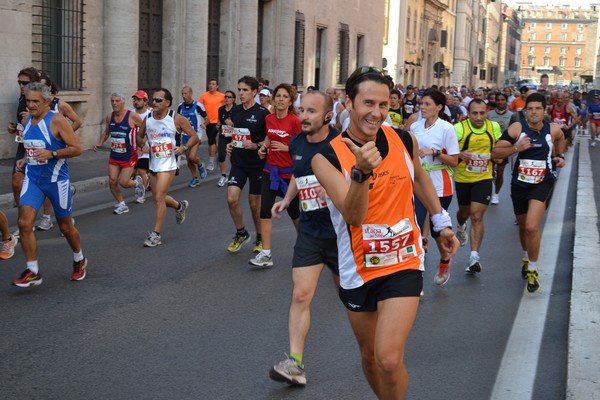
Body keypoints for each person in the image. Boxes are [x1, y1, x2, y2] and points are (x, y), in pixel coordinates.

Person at [312, 67, 459, 399]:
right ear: (347, 102)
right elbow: (353, 215)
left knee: (389, 359)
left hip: (404, 260)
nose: (377, 113)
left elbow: (420, 179)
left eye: (383, 104)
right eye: (368, 103)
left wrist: (440, 223)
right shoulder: (326, 158)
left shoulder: (404, 139)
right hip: (358, 268)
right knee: (370, 357)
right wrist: (361, 172)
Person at [269, 90, 340, 386]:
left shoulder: (340, 144)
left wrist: (337, 189)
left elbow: (360, 182)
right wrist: (287, 200)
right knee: (300, 294)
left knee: (351, 299)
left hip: (340, 234)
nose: (305, 116)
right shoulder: (296, 142)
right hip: (310, 231)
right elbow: (299, 175)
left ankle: (377, 350)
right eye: (303, 110)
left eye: (312, 111)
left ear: (327, 116)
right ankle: (294, 364)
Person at [12, 82, 87, 287]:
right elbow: (33, 147)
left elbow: (77, 148)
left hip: (56, 181)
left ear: (46, 101)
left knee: (66, 228)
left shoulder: (57, 120)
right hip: (33, 180)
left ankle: (79, 258)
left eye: (35, 101)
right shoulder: (27, 120)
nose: (31, 105)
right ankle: (33, 270)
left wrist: (52, 153)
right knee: (24, 222)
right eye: (28, 101)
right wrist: (25, 160)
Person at [491, 92, 566, 292]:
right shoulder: (517, 128)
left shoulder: (553, 129)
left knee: (532, 227)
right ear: (525, 111)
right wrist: (516, 148)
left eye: (538, 109)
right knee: (523, 227)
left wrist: (559, 156)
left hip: (543, 182)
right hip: (520, 184)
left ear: (544, 111)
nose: (533, 112)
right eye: (530, 109)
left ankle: (533, 269)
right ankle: (526, 256)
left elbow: (561, 139)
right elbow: (495, 152)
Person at [136, 88, 199, 247]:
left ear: (167, 103)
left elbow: (194, 137)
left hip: (169, 163)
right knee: (159, 198)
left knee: (158, 198)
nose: (154, 103)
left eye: (158, 100)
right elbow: (139, 136)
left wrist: (183, 148)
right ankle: (179, 206)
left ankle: (155, 235)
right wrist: (143, 145)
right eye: (153, 100)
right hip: (154, 163)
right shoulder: (148, 118)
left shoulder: (177, 119)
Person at [411, 89, 460, 285]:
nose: (422, 107)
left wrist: (434, 152)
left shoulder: (447, 128)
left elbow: (454, 161)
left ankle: (445, 260)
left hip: (440, 185)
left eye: (427, 104)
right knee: (414, 230)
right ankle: (416, 279)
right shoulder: (414, 126)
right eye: (421, 104)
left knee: (437, 231)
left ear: (439, 107)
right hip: (417, 185)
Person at [251, 84, 302, 267]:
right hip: (270, 171)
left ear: (290, 101)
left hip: (289, 174)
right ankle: (266, 254)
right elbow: (269, 136)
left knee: (294, 213)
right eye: (278, 96)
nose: (280, 99)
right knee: (265, 210)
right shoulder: (269, 118)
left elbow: (303, 146)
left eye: (284, 96)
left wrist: (287, 148)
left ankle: (305, 246)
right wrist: (264, 147)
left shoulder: (295, 121)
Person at [454, 98, 502, 273]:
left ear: (487, 113)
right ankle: (460, 225)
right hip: (463, 179)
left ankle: (474, 257)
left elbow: (500, 148)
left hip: (484, 177)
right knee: (464, 213)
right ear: (468, 114)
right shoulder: (459, 129)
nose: (479, 117)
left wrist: (498, 156)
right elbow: (447, 153)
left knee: (476, 216)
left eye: (482, 113)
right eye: (475, 113)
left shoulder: (493, 127)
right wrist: (459, 154)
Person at [225, 76, 270, 253]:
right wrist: (230, 144)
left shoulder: (263, 113)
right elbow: (237, 134)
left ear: (254, 92)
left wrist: (256, 145)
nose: (241, 93)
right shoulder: (235, 111)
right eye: (240, 90)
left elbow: (268, 139)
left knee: (254, 204)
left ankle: (260, 236)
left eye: (245, 90)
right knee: (231, 198)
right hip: (238, 162)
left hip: (257, 164)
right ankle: (241, 232)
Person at [36, 72, 83, 230]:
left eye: (42, 86)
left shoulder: (60, 104)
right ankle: (47, 217)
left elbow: (77, 121)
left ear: (49, 88)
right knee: (45, 180)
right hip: (40, 150)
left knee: (55, 180)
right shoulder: (34, 105)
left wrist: (64, 137)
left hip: (57, 151)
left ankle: (67, 221)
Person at [94, 93, 145, 215]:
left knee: (124, 182)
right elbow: (107, 132)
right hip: (115, 154)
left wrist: (143, 145)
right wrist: (100, 143)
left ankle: (138, 183)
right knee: (112, 181)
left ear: (123, 102)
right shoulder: (109, 117)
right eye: (112, 101)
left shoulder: (132, 116)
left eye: (117, 101)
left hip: (129, 154)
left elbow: (145, 129)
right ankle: (122, 204)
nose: (114, 103)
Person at [7, 67, 40, 210]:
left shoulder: (44, 102)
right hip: (24, 146)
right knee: (17, 181)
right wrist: (15, 127)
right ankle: (24, 219)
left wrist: (32, 121)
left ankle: (61, 209)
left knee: (45, 186)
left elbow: (49, 126)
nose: (21, 85)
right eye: (19, 82)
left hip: (41, 147)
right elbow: (24, 125)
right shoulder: (22, 98)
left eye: (24, 83)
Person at [177, 85, 208, 187]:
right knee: (189, 160)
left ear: (190, 94)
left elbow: (207, 118)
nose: (183, 96)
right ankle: (195, 178)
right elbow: (177, 120)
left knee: (192, 157)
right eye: (182, 94)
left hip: (195, 135)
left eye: (185, 93)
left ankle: (200, 164)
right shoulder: (180, 106)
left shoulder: (198, 105)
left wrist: (204, 124)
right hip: (185, 136)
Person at [487, 92, 514, 205]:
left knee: (501, 171)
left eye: (502, 100)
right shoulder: (489, 114)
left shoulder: (512, 115)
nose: (500, 102)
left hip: (504, 146)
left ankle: (496, 194)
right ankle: (487, 191)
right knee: (489, 171)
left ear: (506, 101)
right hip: (490, 146)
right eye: (498, 100)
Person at [198, 78, 226, 171]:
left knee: (211, 140)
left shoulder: (222, 96)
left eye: (213, 84)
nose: (211, 85)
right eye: (210, 83)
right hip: (208, 122)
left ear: (217, 86)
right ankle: (218, 156)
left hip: (217, 122)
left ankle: (211, 162)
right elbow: (199, 109)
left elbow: (229, 105)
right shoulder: (203, 96)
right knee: (212, 142)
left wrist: (225, 117)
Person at [131, 90, 152, 203]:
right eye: (134, 99)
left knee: (141, 170)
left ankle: (141, 195)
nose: (136, 102)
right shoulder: (130, 113)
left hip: (146, 147)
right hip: (132, 148)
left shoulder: (150, 114)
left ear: (145, 101)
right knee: (132, 173)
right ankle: (146, 180)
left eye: (138, 99)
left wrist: (141, 145)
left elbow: (147, 132)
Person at [216, 90, 236, 187]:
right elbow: (219, 120)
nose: (227, 99)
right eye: (226, 97)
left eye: (229, 97)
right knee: (221, 155)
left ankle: (233, 175)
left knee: (233, 157)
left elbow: (241, 124)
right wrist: (218, 125)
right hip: (223, 135)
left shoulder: (237, 109)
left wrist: (232, 124)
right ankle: (223, 175)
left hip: (233, 136)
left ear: (233, 99)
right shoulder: (221, 109)